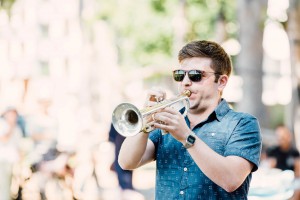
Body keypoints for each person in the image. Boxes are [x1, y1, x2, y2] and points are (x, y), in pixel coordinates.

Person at [118, 40, 262, 199]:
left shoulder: (242, 124)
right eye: (180, 75)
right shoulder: (168, 121)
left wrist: (187, 137)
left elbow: (231, 180)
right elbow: (126, 162)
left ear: (221, 82)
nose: (185, 82)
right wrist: (145, 122)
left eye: (196, 75)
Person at [108, 123, 144, 200]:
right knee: (123, 176)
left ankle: (128, 190)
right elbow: (111, 139)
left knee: (128, 174)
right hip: (119, 150)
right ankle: (126, 190)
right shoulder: (116, 121)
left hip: (129, 146)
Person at [266, 124, 300, 199]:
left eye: (283, 136)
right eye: (279, 136)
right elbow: (269, 169)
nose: (281, 139)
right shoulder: (273, 151)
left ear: (289, 136)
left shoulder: (294, 152)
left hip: (290, 181)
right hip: (276, 180)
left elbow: (298, 172)